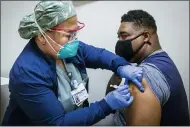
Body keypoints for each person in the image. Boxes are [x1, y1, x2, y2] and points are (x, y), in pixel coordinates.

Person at [1, 1, 145, 126]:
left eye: (75, 33)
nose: (74, 40)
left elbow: (99, 55)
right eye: (68, 34)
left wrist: (121, 66)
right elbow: (58, 123)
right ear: (42, 37)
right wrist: (105, 105)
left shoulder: (66, 48)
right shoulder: (27, 72)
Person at [106, 9, 189, 126]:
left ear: (146, 36)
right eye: (118, 37)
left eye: (124, 36)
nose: (119, 42)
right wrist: (119, 68)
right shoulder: (163, 60)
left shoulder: (142, 77)